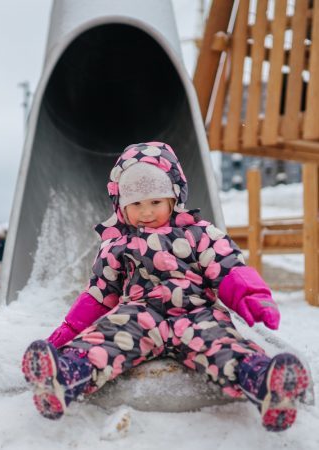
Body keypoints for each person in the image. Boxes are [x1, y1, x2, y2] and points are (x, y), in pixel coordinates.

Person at [21, 142, 309, 432]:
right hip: (140, 315)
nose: (146, 212)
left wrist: (252, 295)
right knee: (106, 339)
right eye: (136, 204)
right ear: (121, 206)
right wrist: (68, 331)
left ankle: (264, 382)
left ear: (174, 198)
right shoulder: (117, 244)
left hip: (197, 314)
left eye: (155, 202)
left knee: (223, 346)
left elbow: (227, 267)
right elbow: (99, 293)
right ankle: (64, 376)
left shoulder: (199, 233)